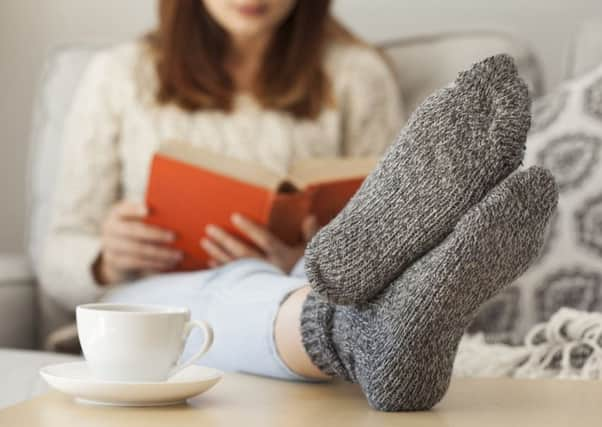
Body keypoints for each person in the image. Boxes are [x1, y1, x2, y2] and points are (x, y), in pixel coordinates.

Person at [40, 0, 557, 412]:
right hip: (150, 298)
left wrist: (298, 254)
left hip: (296, 275)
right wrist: (106, 255)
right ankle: (354, 328)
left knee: (312, 269)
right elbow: (57, 247)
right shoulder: (119, 74)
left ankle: (355, 297)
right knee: (220, 292)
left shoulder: (356, 73)